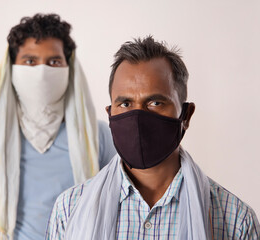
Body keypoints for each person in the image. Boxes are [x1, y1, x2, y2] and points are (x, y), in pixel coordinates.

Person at [46, 36, 260, 240]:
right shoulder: (69, 209)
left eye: (155, 103)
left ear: (186, 115)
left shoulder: (234, 220)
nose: (138, 117)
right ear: (110, 114)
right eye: (126, 104)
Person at [0, 13, 116, 239]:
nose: (42, 72)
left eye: (54, 62)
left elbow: (117, 213)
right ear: (12, 68)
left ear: (68, 67)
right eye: (30, 61)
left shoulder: (98, 136)